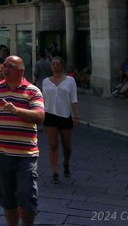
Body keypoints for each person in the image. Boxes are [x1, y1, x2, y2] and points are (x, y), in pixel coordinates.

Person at [0, 56, 45, 226]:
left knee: (26, 196)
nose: (5, 69)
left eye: (10, 66)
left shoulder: (33, 91)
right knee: (7, 197)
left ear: (21, 70)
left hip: (25, 154)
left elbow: (40, 116)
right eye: (4, 66)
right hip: (1, 153)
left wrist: (16, 111)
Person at [41, 56, 79, 184]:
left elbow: (74, 99)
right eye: (53, 64)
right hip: (49, 114)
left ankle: (66, 162)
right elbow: (43, 100)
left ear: (62, 66)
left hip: (65, 115)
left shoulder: (70, 81)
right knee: (53, 145)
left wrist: (76, 116)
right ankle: (55, 172)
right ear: (51, 66)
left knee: (67, 146)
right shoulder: (45, 81)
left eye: (58, 64)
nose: (55, 66)